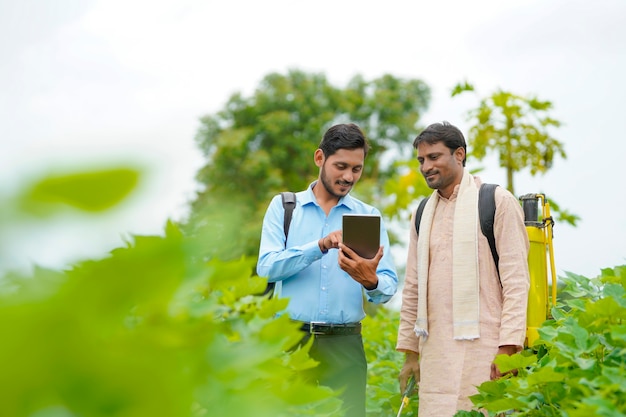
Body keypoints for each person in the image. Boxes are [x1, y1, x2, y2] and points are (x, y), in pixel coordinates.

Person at [257, 123, 398, 417]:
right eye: (341, 166)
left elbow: (386, 287)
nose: (348, 177)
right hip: (290, 342)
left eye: (356, 169)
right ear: (319, 158)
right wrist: (318, 246)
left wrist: (370, 281)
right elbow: (266, 268)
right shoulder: (285, 208)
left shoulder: (368, 216)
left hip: (345, 344)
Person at [396, 121, 530, 416]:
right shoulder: (422, 213)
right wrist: (410, 353)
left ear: (459, 154)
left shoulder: (496, 201)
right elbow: (414, 286)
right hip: (436, 356)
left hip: (486, 351)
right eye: (421, 160)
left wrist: (508, 349)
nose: (425, 166)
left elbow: (517, 281)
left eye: (434, 157)